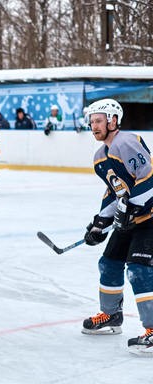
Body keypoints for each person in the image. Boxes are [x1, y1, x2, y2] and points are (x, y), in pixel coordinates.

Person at [80, 98, 153, 354]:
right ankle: (111, 316)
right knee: (109, 263)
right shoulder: (100, 157)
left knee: (139, 269)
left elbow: (149, 177)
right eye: (91, 122)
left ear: (113, 121)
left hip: (149, 218)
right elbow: (114, 192)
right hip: (131, 219)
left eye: (98, 121)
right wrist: (101, 222)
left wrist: (132, 208)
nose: (93, 126)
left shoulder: (126, 142)